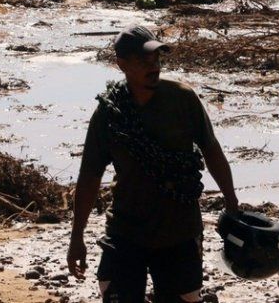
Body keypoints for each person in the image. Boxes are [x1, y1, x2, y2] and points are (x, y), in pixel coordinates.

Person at [68, 25, 240, 303]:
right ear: (121, 65)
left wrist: (231, 202)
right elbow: (89, 176)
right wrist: (77, 237)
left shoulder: (183, 99)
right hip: (127, 229)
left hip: (179, 230)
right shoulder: (110, 113)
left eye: (157, 60)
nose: (153, 67)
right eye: (143, 61)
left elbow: (212, 150)